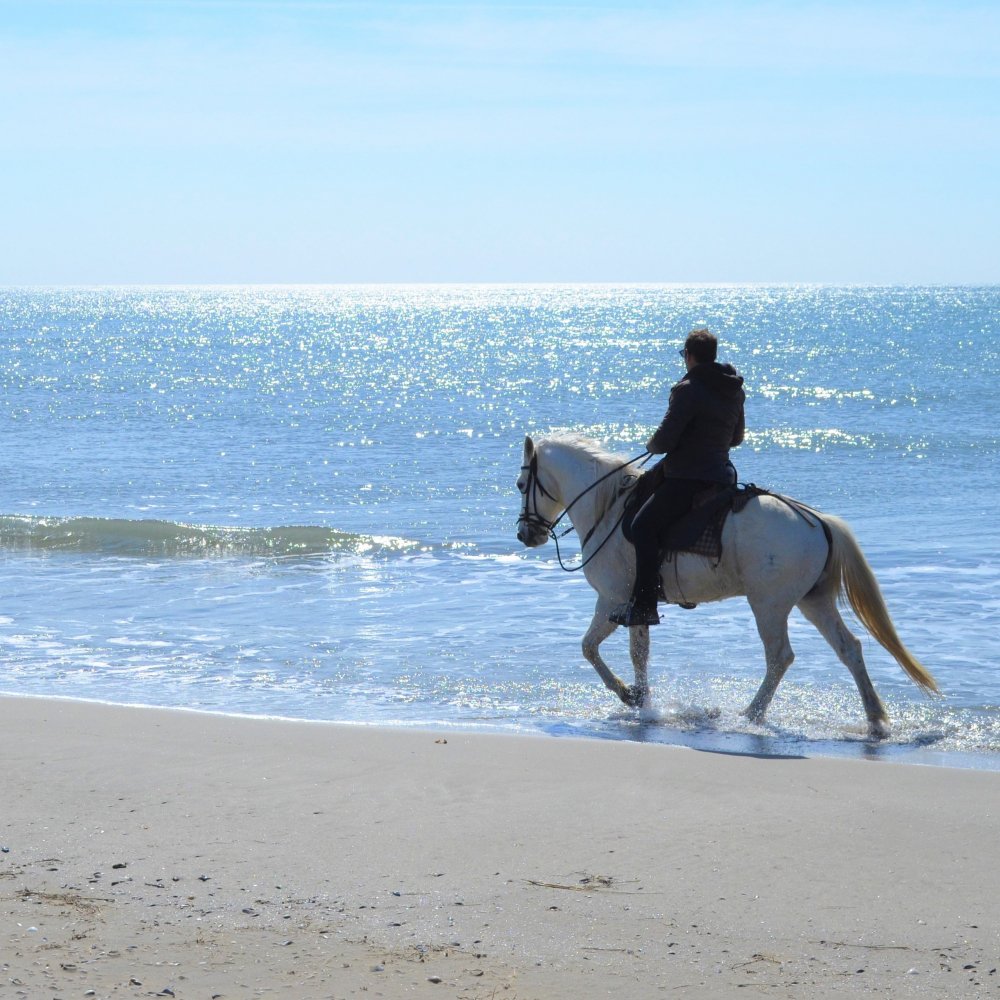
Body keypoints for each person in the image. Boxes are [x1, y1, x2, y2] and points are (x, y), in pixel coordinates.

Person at [610, 327, 745, 627]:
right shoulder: (733, 388)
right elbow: (736, 438)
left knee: (642, 525)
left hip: (688, 477)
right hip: (722, 476)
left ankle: (644, 605)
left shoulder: (687, 389)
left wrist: (651, 445)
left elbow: (665, 441)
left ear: (689, 356)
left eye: (684, 355)